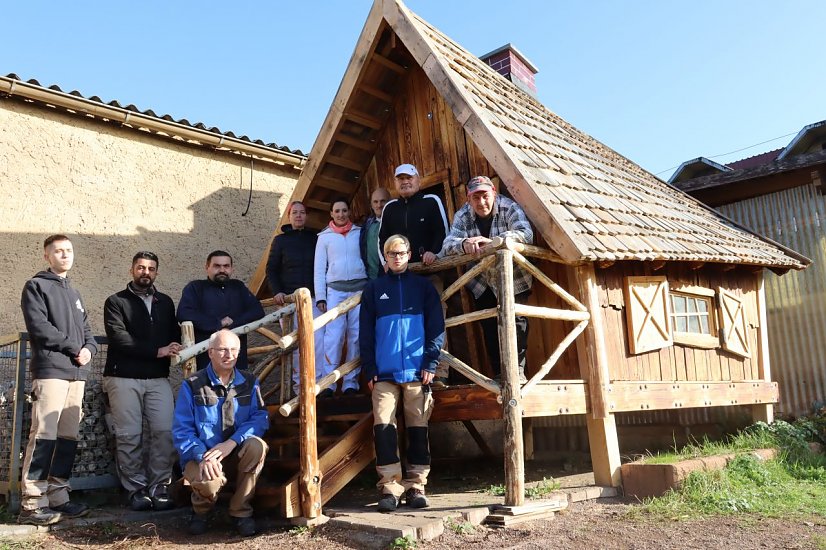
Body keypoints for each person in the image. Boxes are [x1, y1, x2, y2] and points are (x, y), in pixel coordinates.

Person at [360, 234, 445, 512]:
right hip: (383, 374)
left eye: (401, 252)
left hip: (417, 372)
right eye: (391, 253)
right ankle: (389, 487)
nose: (397, 257)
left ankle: (416, 485)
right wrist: (369, 368)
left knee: (418, 429)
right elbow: (365, 334)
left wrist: (430, 363)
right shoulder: (373, 289)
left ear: (410, 255)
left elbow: (436, 329)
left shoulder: (423, 287)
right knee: (383, 429)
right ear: (385, 256)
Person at [18, 234, 98, 525]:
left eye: (69, 250)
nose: (65, 255)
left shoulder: (74, 293)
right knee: (43, 436)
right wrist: (73, 347)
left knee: (67, 438)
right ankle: (32, 502)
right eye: (58, 251)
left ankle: (58, 497)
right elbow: (39, 328)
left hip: (76, 374)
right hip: (51, 370)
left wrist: (89, 349)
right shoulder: (36, 286)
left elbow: (88, 331)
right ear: (46, 256)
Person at [103, 251, 182, 511]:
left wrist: (174, 346)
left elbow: (173, 334)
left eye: (150, 268)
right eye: (140, 267)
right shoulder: (116, 301)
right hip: (123, 377)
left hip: (157, 378)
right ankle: (135, 489)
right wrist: (156, 351)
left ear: (156, 272)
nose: (145, 272)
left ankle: (160, 487)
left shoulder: (165, 302)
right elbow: (119, 338)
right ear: (132, 270)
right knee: (129, 436)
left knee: (165, 431)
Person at [172, 329, 269, 537]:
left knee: (257, 446)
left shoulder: (250, 383)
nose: (229, 355)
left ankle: (240, 512)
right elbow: (182, 431)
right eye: (223, 349)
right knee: (209, 480)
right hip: (201, 457)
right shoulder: (192, 385)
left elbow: (260, 418)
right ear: (210, 352)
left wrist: (233, 442)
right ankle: (201, 512)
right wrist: (202, 456)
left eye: (234, 349)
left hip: (235, 454)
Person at [440, 176, 534, 382]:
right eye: (476, 198)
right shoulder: (463, 215)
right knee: (490, 326)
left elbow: (526, 234)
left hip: (513, 275)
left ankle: (517, 372)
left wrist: (493, 243)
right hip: (481, 280)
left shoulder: (509, 207)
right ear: (468, 199)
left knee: (517, 323)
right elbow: (447, 245)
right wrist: (464, 244)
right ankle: (501, 375)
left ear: (493, 192)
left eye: (485, 196)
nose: (481, 202)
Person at [379, 164, 450, 384]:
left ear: (418, 180)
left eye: (409, 178)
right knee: (404, 323)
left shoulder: (431, 201)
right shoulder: (390, 208)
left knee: (436, 320)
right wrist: (386, 262)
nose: (405, 182)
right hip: (400, 278)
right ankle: (409, 370)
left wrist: (434, 253)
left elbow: (443, 231)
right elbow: (381, 239)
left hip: (430, 274)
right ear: (395, 183)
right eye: (400, 179)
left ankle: (439, 372)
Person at [266, 201, 325, 396]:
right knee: (294, 344)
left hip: (313, 298)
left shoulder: (314, 239)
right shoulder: (280, 241)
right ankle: (299, 389)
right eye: (295, 213)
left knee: (317, 342)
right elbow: (271, 270)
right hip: (289, 301)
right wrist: (277, 291)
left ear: (306, 216)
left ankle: (316, 386)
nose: (298, 216)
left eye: (302, 212)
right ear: (289, 217)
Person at [314, 197, 367, 396]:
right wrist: (321, 296)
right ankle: (328, 383)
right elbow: (319, 269)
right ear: (331, 214)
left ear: (349, 212)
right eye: (337, 211)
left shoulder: (359, 232)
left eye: (344, 210)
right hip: (335, 292)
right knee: (334, 337)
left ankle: (350, 383)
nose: (341, 214)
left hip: (358, 289)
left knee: (355, 336)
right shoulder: (324, 237)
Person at [177, 251, 265, 371]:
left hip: (236, 360)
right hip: (205, 360)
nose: (222, 270)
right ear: (207, 267)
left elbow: (257, 311)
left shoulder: (238, 287)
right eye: (217, 266)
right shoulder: (195, 287)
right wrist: (218, 323)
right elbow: (184, 313)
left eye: (226, 266)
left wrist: (233, 323)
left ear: (231, 268)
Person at [360, 187, 391, 280]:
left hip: (390, 276)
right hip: (371, 278)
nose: (379, 205)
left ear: (390, 201)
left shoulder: (397, 222)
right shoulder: (367, 225)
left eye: (383, 201)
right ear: (371, 205)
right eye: (375, 202)